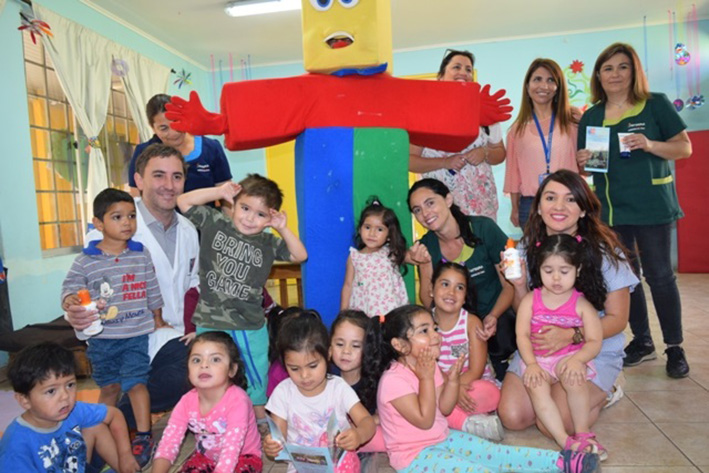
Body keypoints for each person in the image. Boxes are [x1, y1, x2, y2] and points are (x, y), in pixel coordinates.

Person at [361, 304, 600, 473]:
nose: (436, 336)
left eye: (434, 328)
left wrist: (452, 381)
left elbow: (444, 409)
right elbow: (424, 420)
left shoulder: (428, 367)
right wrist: (426, 379)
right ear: (400, 345)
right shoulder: (394, 381)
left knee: (496, 454)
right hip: (414, 457)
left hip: (442, 438)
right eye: (424, 331)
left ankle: (562, 462)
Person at [575, 42, 693, 379]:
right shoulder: (592, 116)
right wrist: (583, 161)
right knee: (627, 281)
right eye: (608, 68)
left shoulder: (655, 104)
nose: (615, 74)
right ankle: (642, 341)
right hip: (611, 212)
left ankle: (674, 346)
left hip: (652, 206)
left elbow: (684, 148)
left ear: (634, 71)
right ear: (599, 75)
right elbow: (589, 168)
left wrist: (650, 144)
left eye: (622, 67)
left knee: (660, 276)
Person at [65, 144, 200, 431]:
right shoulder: (107, 233)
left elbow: (193, 283)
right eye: (159, 175)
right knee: (188, 371)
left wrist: (197, 326)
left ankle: (114, 420)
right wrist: (74, 312)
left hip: (172, 333)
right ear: (138, 180)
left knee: (214, 361)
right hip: (124, 334)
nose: (169, 185)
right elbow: (80, 288)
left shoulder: (189, 231)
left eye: (177, 177)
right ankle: (110, 427)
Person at [498, 170, 639, 437]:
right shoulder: (526, 248)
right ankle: (562, 390)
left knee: (556, 424)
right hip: (540, 350)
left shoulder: (606, 253)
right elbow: (523, 312)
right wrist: (518, 286)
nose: (559, 206)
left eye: (570, 199)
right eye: (550, 198)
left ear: (584, 210)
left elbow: (618, 319)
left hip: (592, 349)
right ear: (538, 206)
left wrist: (571, 335)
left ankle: (608, 390)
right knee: (513, 417)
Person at [177, 174, 307, 418]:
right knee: (210, 374)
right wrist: (219, 192)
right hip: (210, 321)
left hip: (248, 324)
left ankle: (259, 422)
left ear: (269, 218)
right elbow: (183, 201)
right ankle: (214, 422)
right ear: (233, 204)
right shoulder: (216, 223)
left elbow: (300, 255)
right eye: (245, 208)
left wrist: (282, 228)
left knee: (255, 378)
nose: (250, 218)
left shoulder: (267, 242)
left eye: (260, 214)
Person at [61, 188, 165, 466]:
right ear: (99, 223)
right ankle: (99, 432)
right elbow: (70, 287)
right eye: (117, 217)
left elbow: (152, 288)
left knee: (136, 383)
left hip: (135, 334)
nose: (127, 222)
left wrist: (157, 317)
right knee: (109, 387)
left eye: (131, 216)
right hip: (102, 338)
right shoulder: (86, 260)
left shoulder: (140, 254)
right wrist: (70, 299)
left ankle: (144, 436)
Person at [407, 178, 515, 379]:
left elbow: (510, 285)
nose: (425, 213)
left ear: (448, 199)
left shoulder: (483, 228)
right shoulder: (426, 245)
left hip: (497, 318)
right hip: (455, 326)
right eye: (417, 210)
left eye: (430, 203)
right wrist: (423, 264)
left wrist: (493, 316)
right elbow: (429, 302)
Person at [516, 234, 606, 459]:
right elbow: (522, 335)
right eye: (548, 271)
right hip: (538, 360)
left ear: (578, 269)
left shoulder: (582, 304)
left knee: (574, 378)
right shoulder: (530, 300)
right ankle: (564, 440)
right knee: (536, 386)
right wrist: (531, 364)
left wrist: (578, 360)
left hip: (568, 356)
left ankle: (583, 433)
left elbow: (594, 340)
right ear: (539, 269)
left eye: (564, 271)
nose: (556, 278)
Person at [263, 311, 376, 473]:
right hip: (302, 467)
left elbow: (367, 421)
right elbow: (278, 436)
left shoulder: (338, 387)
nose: (304, 375)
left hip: (339, 463)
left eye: (312, 366)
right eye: (294, 368)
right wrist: (272, 446)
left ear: (328, 354)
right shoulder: (283, 392)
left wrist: (358, 435)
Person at [0, 342, 139, 473]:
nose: (65, 396)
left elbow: (114, 414)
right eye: (51, 391)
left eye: (70, 385)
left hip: (77, 466)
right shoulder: (16, 445)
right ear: (24, 400)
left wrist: (125, 455)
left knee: (96, 426)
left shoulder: (72, 410)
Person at [409, 49, 506, 221]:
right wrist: (445, 162)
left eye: (468, 69)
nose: (463, 72)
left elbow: (500, 153)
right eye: (456, 67)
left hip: (483, 206)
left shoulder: (484, 112)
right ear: (440, 77)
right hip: (443, 209)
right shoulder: (425, 115)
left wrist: (484, 153)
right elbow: (410, 161)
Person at [152, 332, 262, 473]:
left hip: (243, 457)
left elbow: (231, 449)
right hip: (206, 457)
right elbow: (169, 443)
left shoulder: (238, 401)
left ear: (232, 370)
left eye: (215, 359)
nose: (204, 365)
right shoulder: (186, 401)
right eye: (196, 360)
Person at [429, 262, 503, 441]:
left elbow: (476, 370)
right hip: (440, 386)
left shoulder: (471, 323)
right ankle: (468, 423)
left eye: (459, 287)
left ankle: (448, 419)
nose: (451, 292)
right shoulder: (425, 323)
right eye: (445, 284)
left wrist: (454, 388)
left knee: (490, 393)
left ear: (464, 297)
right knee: (421, 392)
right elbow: (428, 366)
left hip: (470, 384)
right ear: (431, 289)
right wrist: (449, 389)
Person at [504, 58, 580, 229]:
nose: (544, 86)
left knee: (568, 246)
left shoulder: (572, 120)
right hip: (530, 205)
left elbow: (584, 165)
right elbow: (513, 174)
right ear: (527, 86)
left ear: (558, 87)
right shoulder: (516, 130)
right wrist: (515, 208)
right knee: (536, 248)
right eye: (537, 79)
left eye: (551, 80)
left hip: (568, 201)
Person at [127, 94, 232, 197]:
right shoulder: (143, 152)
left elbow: (226, 194)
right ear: (152, 127)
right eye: (164, 128)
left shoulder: (211, 148)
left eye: (177, 123)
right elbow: (137, 198)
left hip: (205, 209)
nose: (174, 133)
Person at [340, 197, 409, 316]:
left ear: (389, 235)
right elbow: (348, 285)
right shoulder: (355, 257)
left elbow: (411, 257)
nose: (372, 233)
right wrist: (343, 314)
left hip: (391, 311)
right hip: (365, 312)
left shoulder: (391, 252)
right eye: (367, 227)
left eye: (379, 229)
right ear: (360, 229)